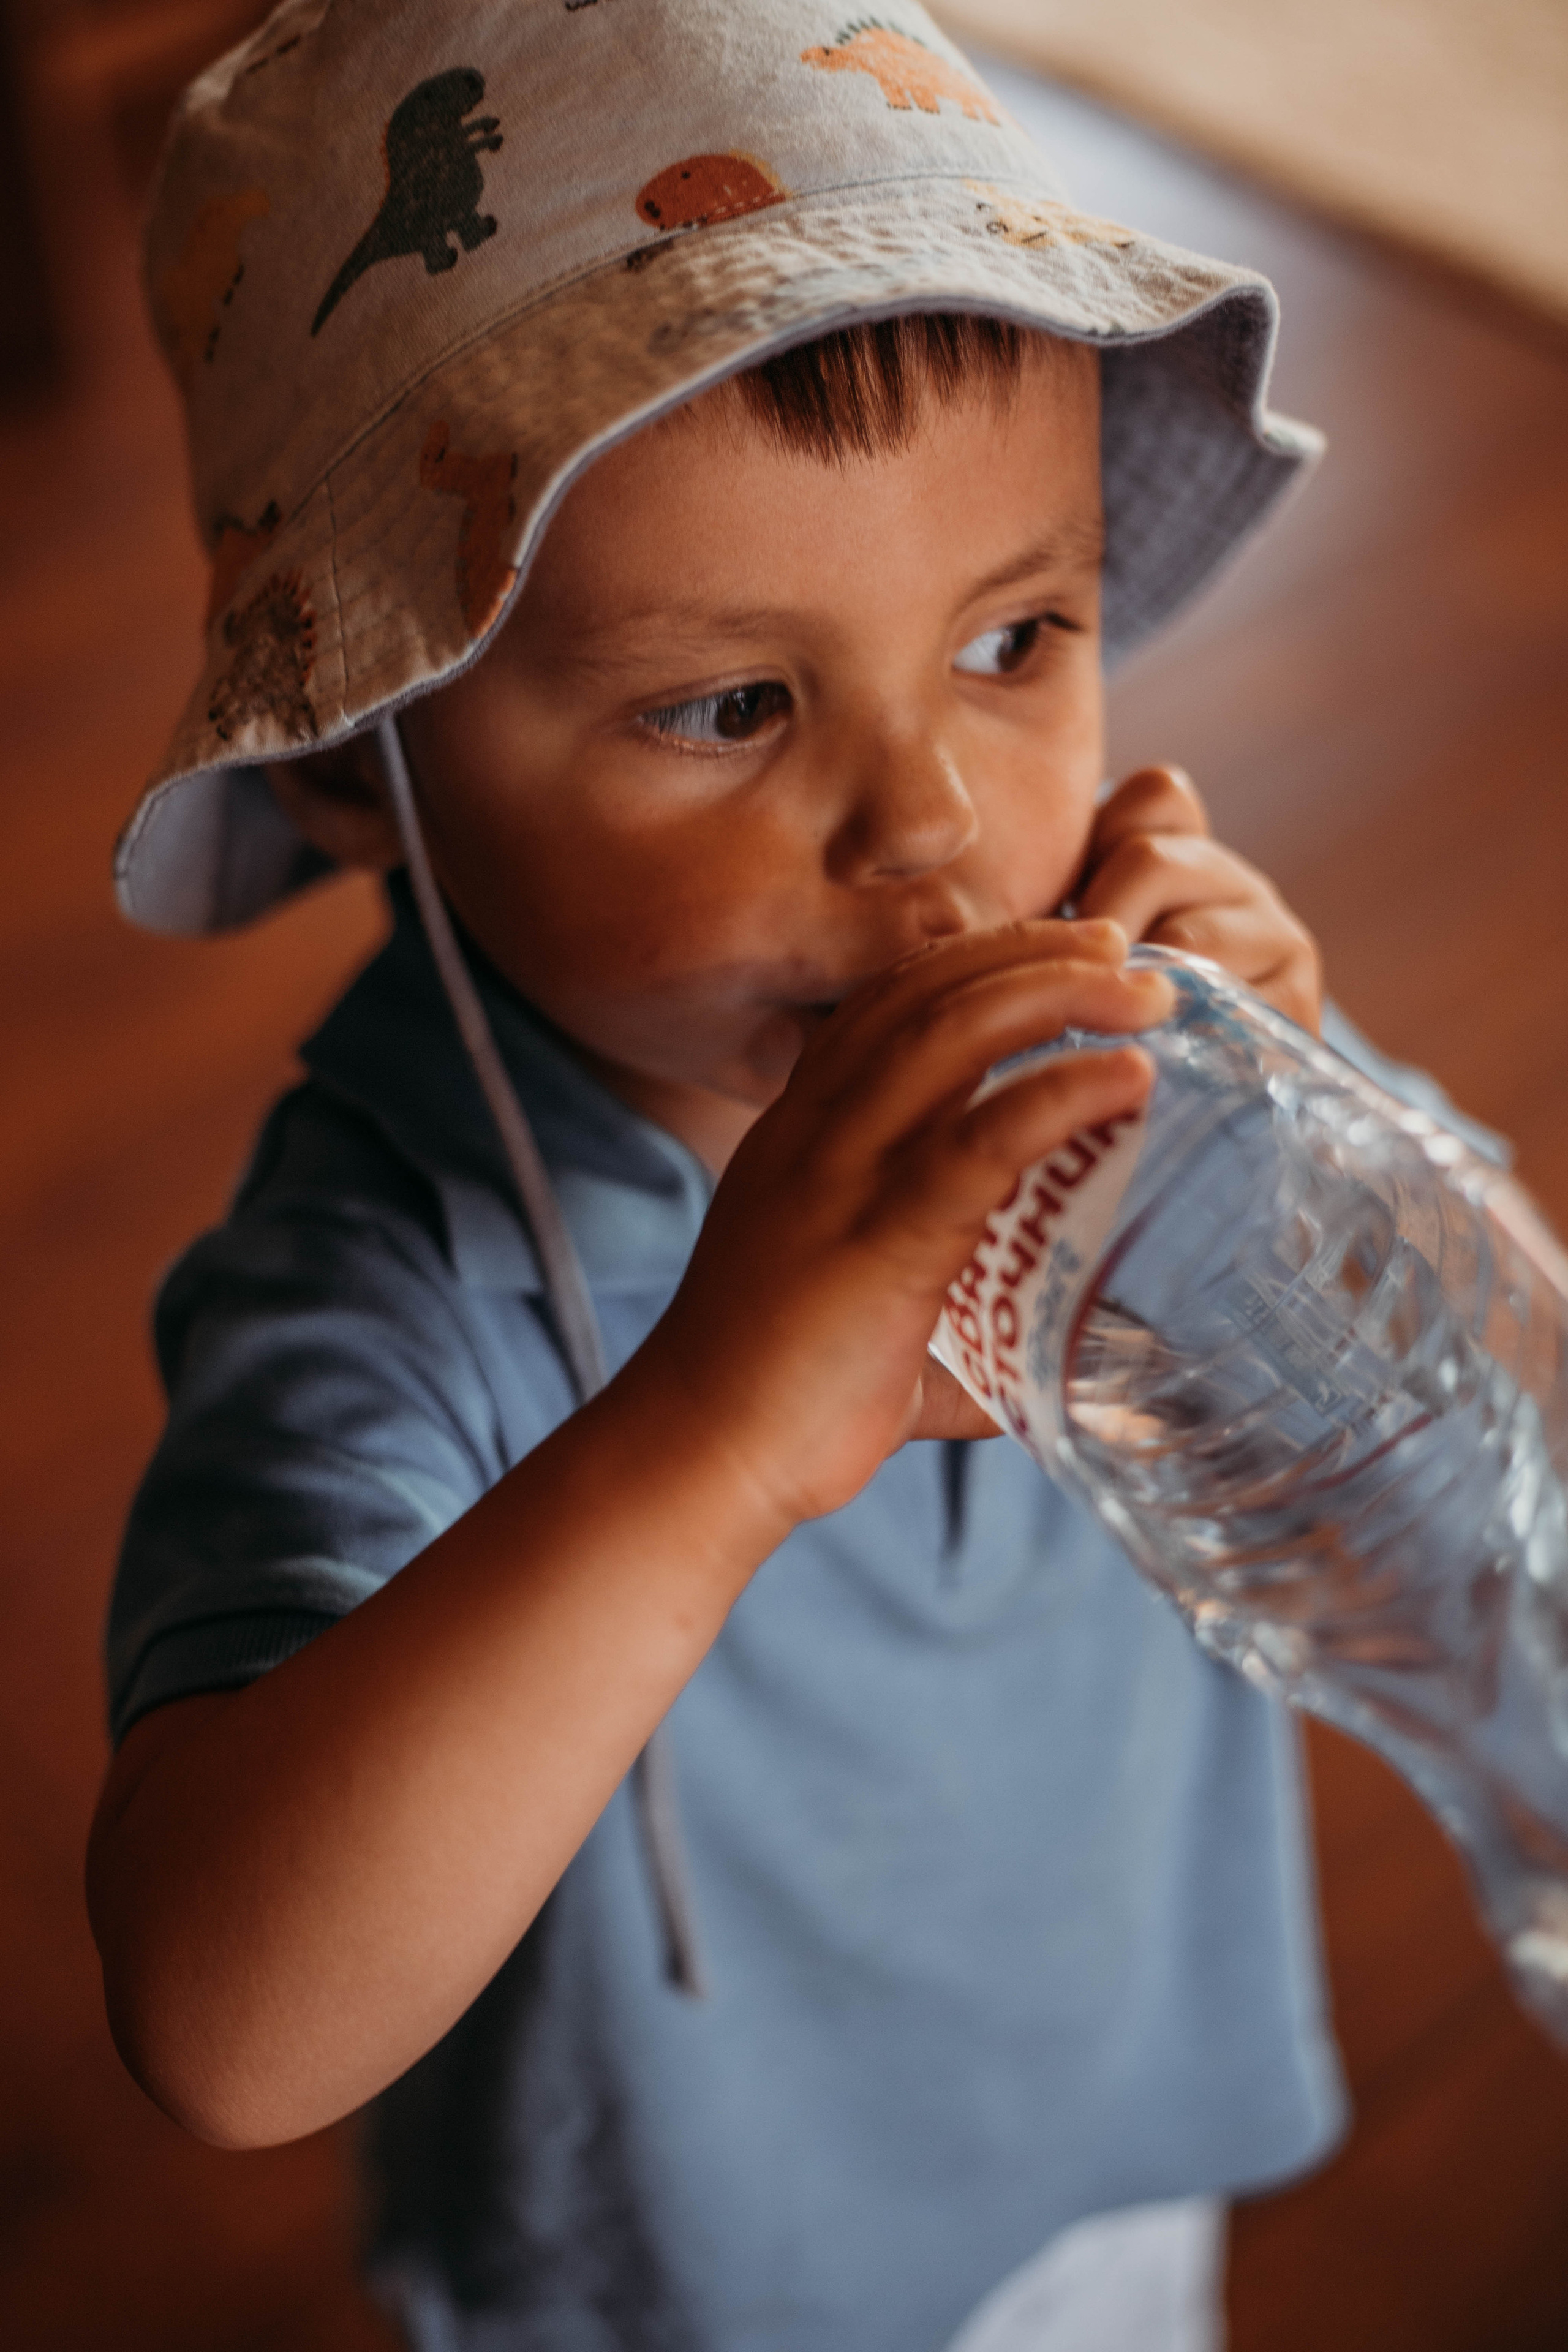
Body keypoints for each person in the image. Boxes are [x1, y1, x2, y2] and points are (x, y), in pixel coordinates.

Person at [87, 2, 1449, 2343]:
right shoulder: (391, 1274)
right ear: (356, 775)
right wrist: (717, 1427)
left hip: (1113, 2172)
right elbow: (227, 2027)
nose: (932, 821)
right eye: (730, 704)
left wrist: (1311, 1186)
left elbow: (1472, 1487)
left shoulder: (1159, 1055)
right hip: (684, 2284)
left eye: (1015, 638)